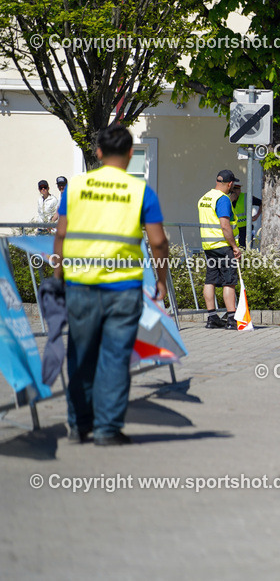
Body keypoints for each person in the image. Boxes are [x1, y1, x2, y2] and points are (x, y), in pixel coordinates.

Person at [53, 126, 170, 446]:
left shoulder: (75, 188)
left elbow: (61, 236)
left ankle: (79, 425)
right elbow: (158, 242)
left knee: (80, 354)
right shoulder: (140, 190)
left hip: (80, 286)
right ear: (131, 154)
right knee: (116, 358)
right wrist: (160, 279)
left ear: (100, 153)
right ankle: (107, 429)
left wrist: (58, 277)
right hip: (123, 289)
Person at [198, 170, 241, 329]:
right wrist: (235, 247)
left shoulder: (204, 198)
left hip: (209, 247)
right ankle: (231, 319)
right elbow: (224, 225)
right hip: (223, 246)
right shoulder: (222, 199)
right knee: (228, 282)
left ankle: (212, 318)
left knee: (210, 280)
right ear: (230, 184)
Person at [229, 181, 261, 248]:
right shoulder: (226, 199)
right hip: (233, 230)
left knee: (246, 249)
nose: (239, 191)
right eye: (236, 189)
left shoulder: (246, 197)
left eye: (239, 189)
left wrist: (257, 215)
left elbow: (261, 203)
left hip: (246, 229)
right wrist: (230, 201)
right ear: (232, 190)